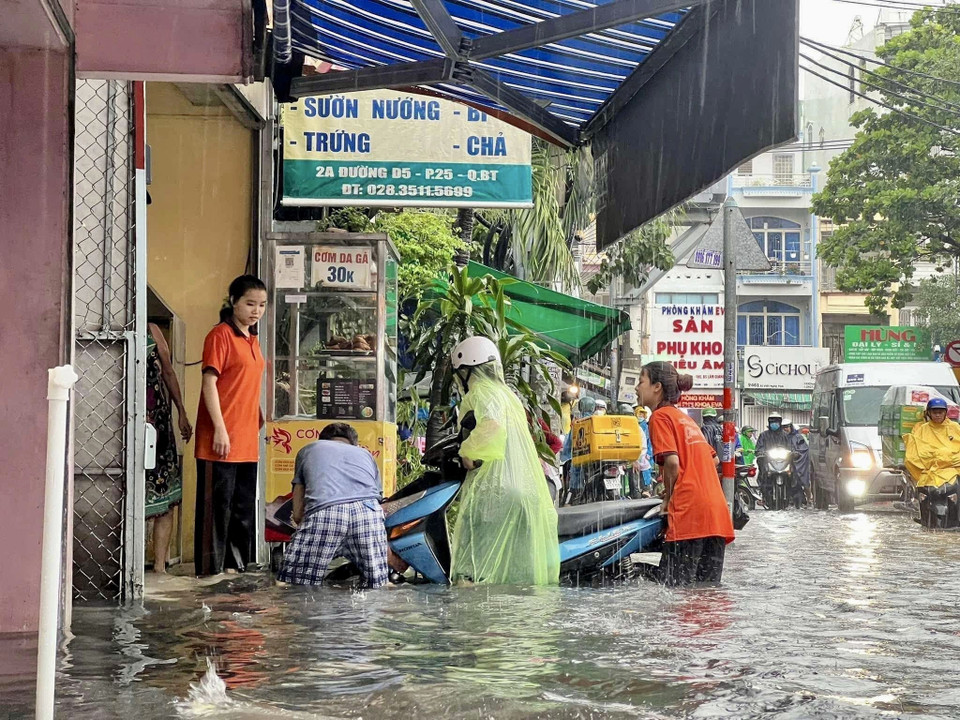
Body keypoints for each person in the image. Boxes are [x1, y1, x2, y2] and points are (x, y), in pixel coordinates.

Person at [449, 336, 559, 585]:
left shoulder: (480, 392)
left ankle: (471, 618)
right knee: (513, 568)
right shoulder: (509, 396)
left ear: (466, 370)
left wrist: (468, 454)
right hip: (527, 491)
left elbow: (492, 426)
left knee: (473, 567)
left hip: (495, 491)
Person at [194, 275, 267, 576]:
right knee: (216, 509)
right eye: (250, 303)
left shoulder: (254, 340)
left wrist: (258, 417)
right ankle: (210, 571)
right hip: (219, 439)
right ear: (234, 302)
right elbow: (209, 383)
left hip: (247, 438)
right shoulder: (220, 335)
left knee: (241, 508)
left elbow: (245, 385)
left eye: (261, 305)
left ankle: (235, 567)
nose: (256, 310)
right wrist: (221, 428)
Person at [637, 361, 735, 586]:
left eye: (640, 382)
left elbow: (672, 462)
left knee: (676, 593)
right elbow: (714, 459)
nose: (636, 388)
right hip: (716, 516)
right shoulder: (686, 419)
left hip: (689, 514)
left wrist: (668, 499)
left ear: (656, 387)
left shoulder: (660, 417)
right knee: (706, 594)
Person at [278, 423, 388, 587]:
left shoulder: (309, 449)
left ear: (322, 440)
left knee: (290, 585)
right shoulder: (365, 455)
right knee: (379, 586)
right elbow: (379, 502)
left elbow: (298, 508)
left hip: (326, 512)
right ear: (353, 443)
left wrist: (302, 526)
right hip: (368, 513)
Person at [145, 323, 193, 573]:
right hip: (120, 424)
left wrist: (181, 412)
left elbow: (168, 373)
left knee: (166, 495)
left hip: (158, 424)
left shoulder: (152, 330)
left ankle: (160, 566)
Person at [905, 397, 960, 489]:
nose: (938, 415)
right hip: (930, 470)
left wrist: (949, 459)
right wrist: (935, 459)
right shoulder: (922, 429)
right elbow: (914, 453)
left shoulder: (955, 427)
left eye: (940, 412)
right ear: (929, 413)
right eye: (935, 413)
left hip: (953, 468)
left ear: (945, 413)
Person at [783, 419, 811, 505]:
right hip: (784, 462)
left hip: (799, 462)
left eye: (787, 427)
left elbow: (804, 449)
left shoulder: (798, 437)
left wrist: (796, 454)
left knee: (804, 481)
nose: (785, 429)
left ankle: (809, 499)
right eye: (783, 427)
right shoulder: (781, 438)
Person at [635, 406, 655, 494]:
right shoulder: (634, 426)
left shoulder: (646, 427)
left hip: (645, 452)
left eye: (643, 414)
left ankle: (646, 488)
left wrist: (649, 453)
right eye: (639, 414)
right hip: (636, 452)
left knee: (645, 471)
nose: (641, 416)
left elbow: (649, 441)